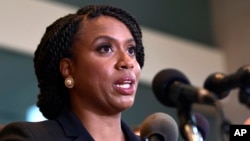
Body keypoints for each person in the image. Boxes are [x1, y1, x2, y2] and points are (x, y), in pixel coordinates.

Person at [0, 4, 144, 141]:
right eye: (105, 48)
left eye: (131, 50)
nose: (127, 62)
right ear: (68, 69)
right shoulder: (31, 138)